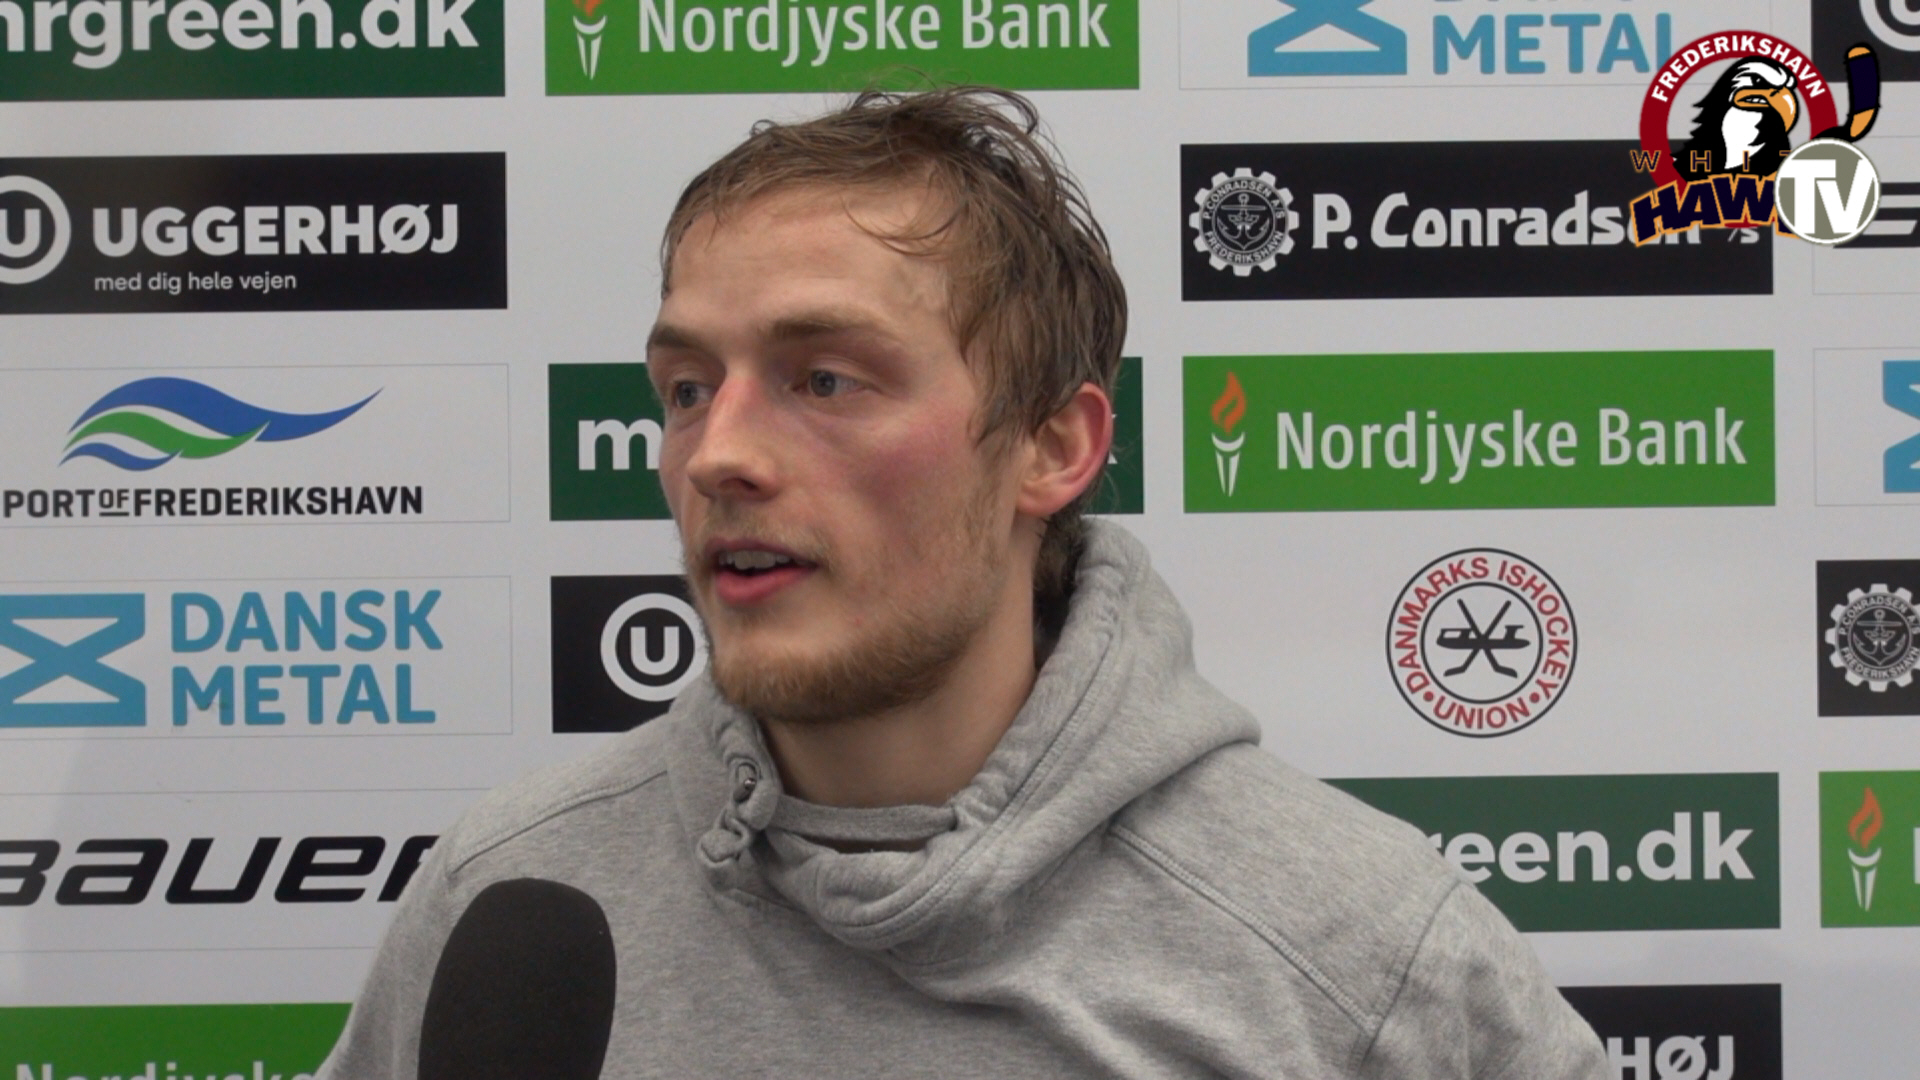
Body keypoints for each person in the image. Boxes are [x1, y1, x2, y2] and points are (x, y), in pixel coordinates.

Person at [319, 87, 1607, 1078]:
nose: (717, 455)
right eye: (689, 388)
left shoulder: (1357, 953)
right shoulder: (509, 896)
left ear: (1053, 446)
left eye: (827, 379)